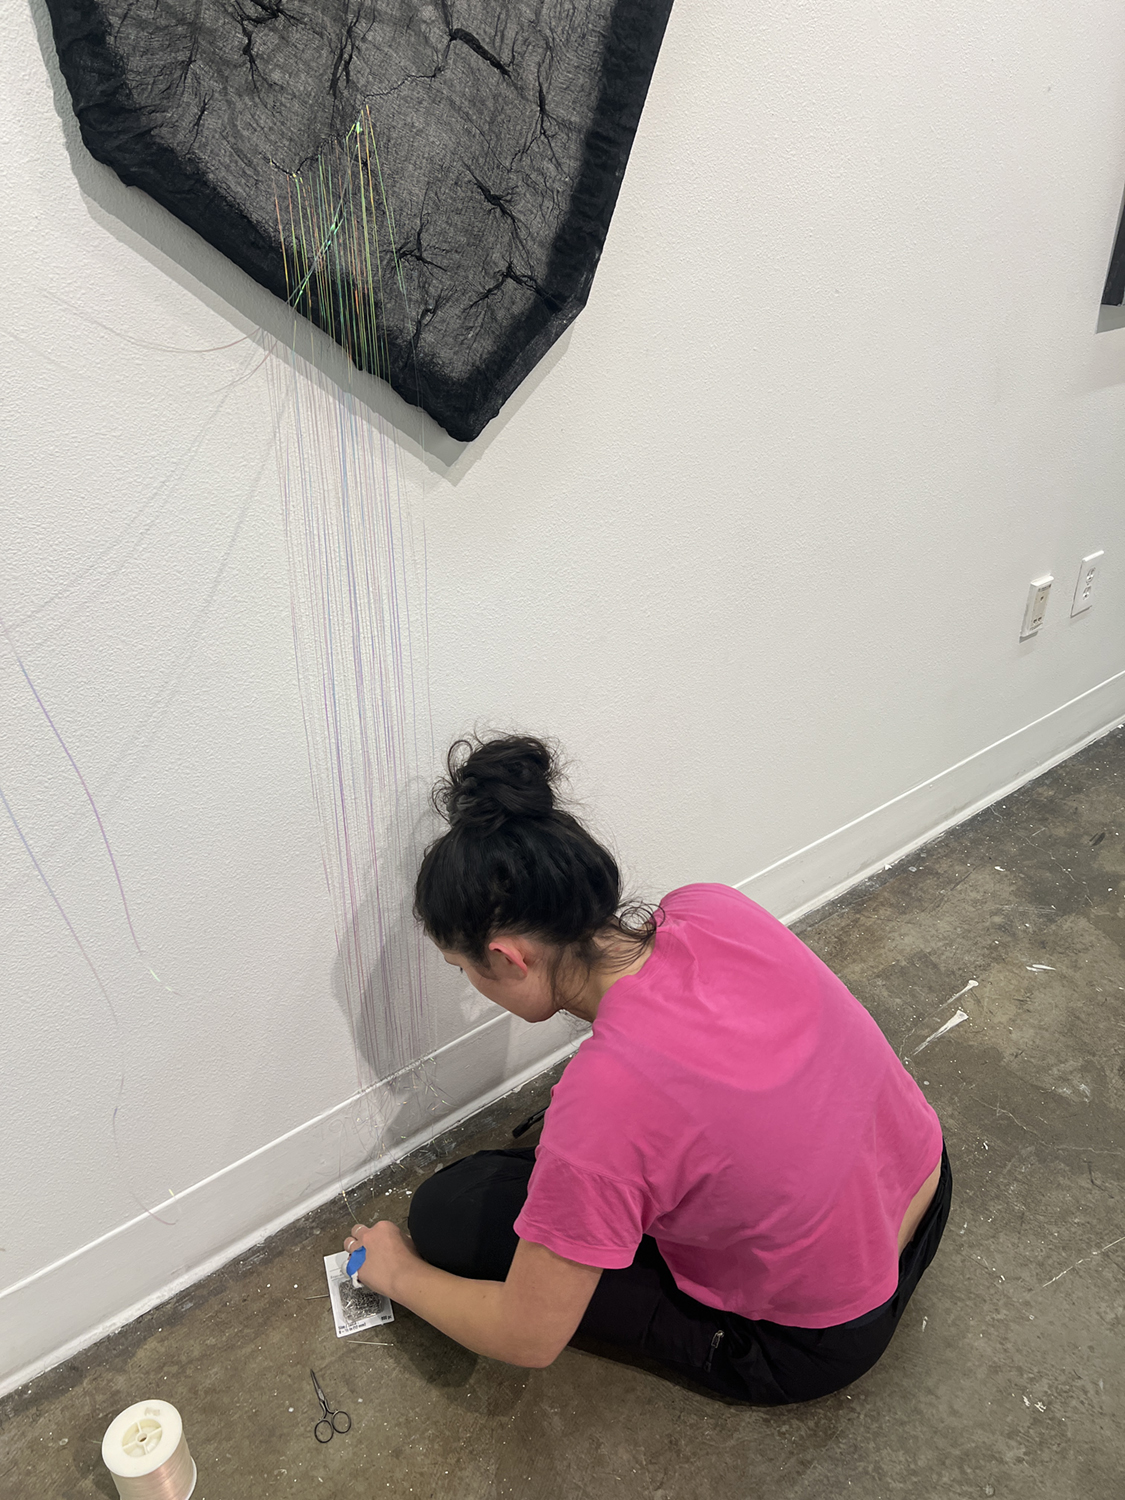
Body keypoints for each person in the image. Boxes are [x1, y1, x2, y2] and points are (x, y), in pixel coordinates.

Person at [342, 735, 951, 1404]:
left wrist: (394, 1272)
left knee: (449, 1213)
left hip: (817, 1339)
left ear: (511, 959)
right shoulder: (712, 910)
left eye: (465, 973)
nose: (473, 990)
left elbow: (527, 1337)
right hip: (924, 1190)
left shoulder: (604, 1099)